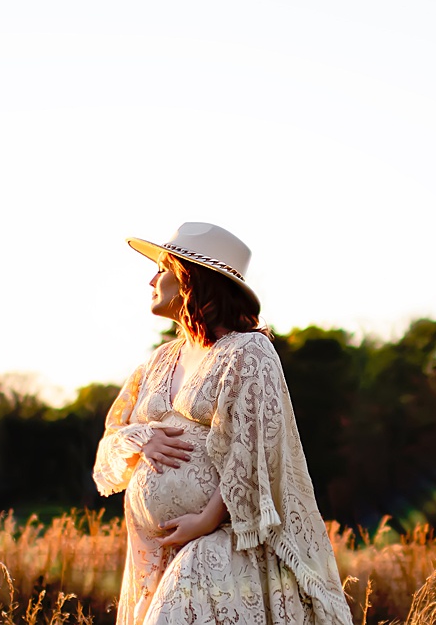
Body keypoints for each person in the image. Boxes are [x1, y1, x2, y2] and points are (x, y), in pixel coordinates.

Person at [93, 222, 354, 625]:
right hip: (153, 552)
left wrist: (206, 519)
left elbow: (257, 450)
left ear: (190, 280)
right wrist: (141, 438)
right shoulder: (159, 359)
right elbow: (112, 438)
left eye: (162, 269)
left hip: (218, 542)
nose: (151, 279)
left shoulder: (249, 350)